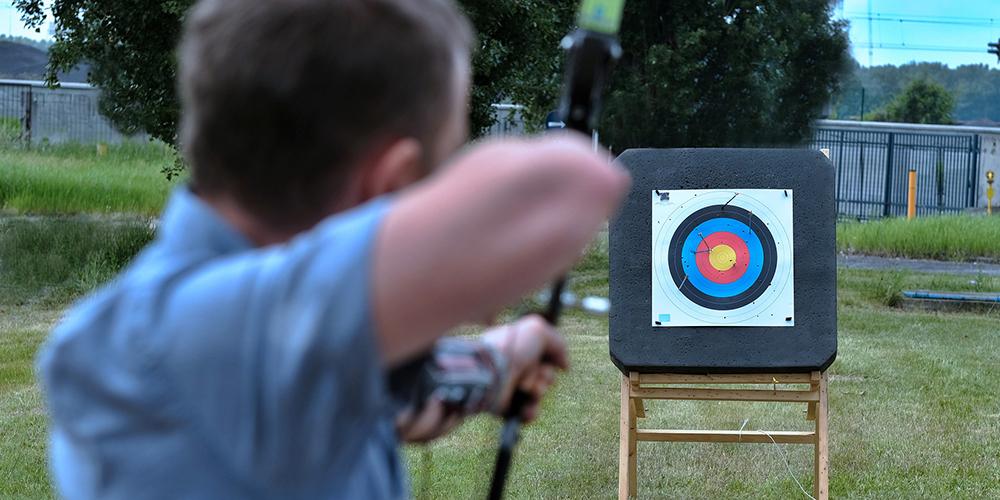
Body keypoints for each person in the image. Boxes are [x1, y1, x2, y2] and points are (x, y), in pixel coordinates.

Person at [37, 0, 629, 498]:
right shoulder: (162, 341)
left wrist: (495, 362)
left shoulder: (284, 342)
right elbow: (572, 186)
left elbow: (382, 392)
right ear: (391, 181)